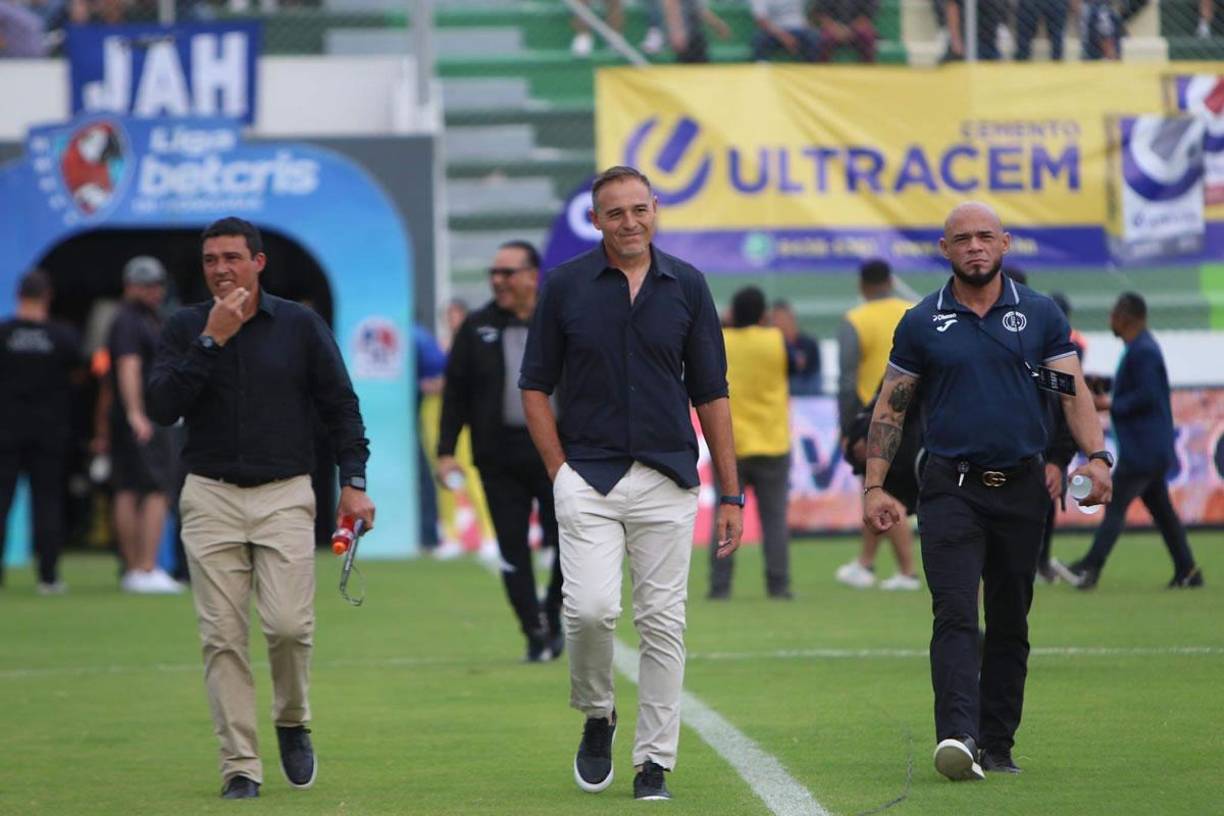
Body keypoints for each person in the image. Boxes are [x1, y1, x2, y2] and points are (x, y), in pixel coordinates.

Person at [862, 202, 1113, 781]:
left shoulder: (1041, 316)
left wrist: (1096, 458)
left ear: (1004, 243)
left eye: (984, 237)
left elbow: (1069, 391)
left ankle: (997, 744)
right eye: (961, 239)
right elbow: (891, 406)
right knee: (953, 612)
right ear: (945, 250)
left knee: (1009, 619)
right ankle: (958, 736)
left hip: (1023, 490)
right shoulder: (923, 322)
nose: (974, 246)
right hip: (950, 488)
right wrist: (875, 485)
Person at [519, 166, 743, 802]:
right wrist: (559, 471)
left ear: (656, 210)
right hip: (586, 477)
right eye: (614, 213)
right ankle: (597, 713)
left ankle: (654, 763)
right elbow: (534, 385)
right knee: (588, 610)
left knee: (663, 624)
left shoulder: (689, 286)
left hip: (670, 477)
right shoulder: (563, 287)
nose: (629, 222)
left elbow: (712, 392)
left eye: (639, 209)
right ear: (595, 221)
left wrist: (730, 493)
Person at [147, 217, 375, 800]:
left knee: (288, 627)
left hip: (285, 492)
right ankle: (240, 766)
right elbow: (162, 407)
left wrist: (353, 481)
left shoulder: (299, 325)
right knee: (221, 637)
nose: (221, 269)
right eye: (210, 260)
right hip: (209, 493)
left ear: (258, 262)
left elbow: (340, 406)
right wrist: (211, 340)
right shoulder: (183, 326)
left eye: (231, 257)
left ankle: (292, 720)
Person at [437, 240, 564, 661]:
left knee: (570, 543)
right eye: (494, 273)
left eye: (507, 272)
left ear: (532, 275)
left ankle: (554, 611)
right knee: (512, 548)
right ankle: (532, 629)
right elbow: (455, 393)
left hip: (559, 456)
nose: (498, 280)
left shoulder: (560, 318)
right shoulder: (475, 327)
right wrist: (445, 451)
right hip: (498, 457)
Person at [1055, 293, 1203, 591]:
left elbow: (1146, 396)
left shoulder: (1143, 351)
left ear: (1126, 317)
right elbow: (1137, 388)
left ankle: (1090, 567)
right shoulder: (1140, 348)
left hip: (1143, 451)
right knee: (1163, 514)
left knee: (1116, 505)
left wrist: (1108, 405)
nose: (1110, 319)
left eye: (1113, 314)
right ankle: (1188, 572)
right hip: (1151, 449)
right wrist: (1106, 384)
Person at [835, 259, 918, 591]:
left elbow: (846, 380)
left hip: (878, 416)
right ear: (891, 280)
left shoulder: (855, 319)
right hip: (919, 412)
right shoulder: (915, 312)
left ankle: (908, 572)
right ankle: (865, 564)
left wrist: (846, 428)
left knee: (881, 489)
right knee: (875, 491)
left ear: (862, 285)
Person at [0, 270, 82, 593]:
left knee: (1, 501)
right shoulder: (62, 336)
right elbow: (79, 376)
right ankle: (48, 577)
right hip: (50, 430)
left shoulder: (4, 334)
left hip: (5, 429)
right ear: (47, 296)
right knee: (47, 501)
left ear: (19, 295)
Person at [709, 286, 792, 601]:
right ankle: (779, 586)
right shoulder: (775, 340)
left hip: (732, 445)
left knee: (726, 518)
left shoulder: (722, 341)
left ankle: (720, 587)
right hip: (772, 441)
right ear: (762, 314)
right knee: (775, 522)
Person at [107, 256, 182, 594]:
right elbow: (128, 367)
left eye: (157, 284)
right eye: (147, 285)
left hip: (135, 417)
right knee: (154, 489)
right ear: (130, 286)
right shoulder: (129, 320)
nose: (154, 290)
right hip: (144, 417)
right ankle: (145, 567)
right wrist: (136, 412)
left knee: (129, 488)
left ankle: (136, 569)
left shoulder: (145, 318)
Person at [415, 324, 446, 555]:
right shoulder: (420, 336)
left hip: (422, 421)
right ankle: (429, 535)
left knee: (429, 477)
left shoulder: (417, 337)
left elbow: (436, 376)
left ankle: (430, 534)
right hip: (418, 422)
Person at [771, 299, 822, 396]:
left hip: (805, 398)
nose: (775, 322)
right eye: (773, 319)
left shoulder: (809, 343)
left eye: (778, 318)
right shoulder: (773, 345)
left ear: (791, 318)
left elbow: (814, 379)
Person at [749, 0, 821, 62]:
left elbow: (812, 10)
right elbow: (762, 21)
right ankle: (762, 69)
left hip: (800, 29)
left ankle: (811, 69)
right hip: (774, 31)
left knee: (814, 37)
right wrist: (785, 37)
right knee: (760, 40)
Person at [814, 0, 878, 63]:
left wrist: (851, 30)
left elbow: (867, 15)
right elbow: (821, 14)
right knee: (824, 39)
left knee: (867, 36)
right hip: (833, 28)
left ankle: (867, 69)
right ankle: (822, 69)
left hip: (857, 27)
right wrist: (837, 29)